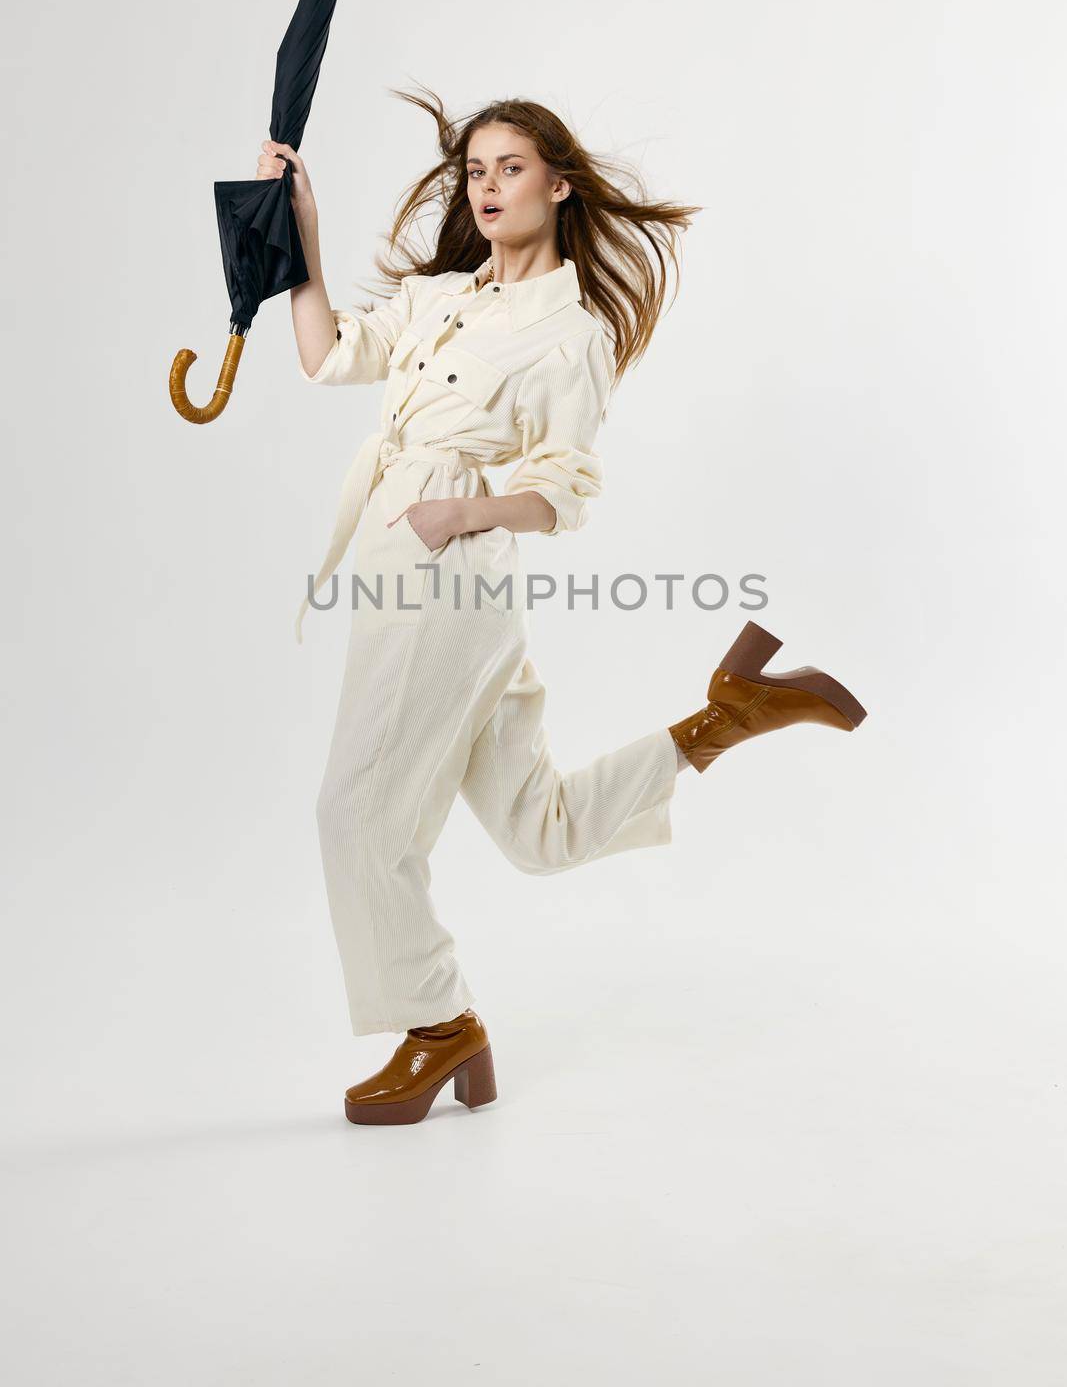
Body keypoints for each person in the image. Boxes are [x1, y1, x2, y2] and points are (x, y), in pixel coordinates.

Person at [256, 89, 867, 1128]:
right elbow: (326, 357)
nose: (485, 187)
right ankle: (723, 715)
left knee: (352, 812)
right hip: (408, 569)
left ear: (557, 183)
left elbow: (564, 492)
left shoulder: (568, 334)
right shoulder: (442, 298)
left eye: (507, 168)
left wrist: (460, 512)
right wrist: (301, 237)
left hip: (444, 577)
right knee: (538, 831)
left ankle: (436, 1023)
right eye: (474, 171)